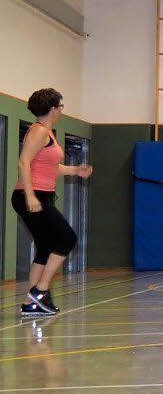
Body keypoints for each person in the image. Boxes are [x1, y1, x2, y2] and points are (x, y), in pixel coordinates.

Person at [11, 89, 90, 318]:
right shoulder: (38, 132)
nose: (61, 110)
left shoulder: (46, 132)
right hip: (31, 195)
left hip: (40, 194)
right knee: (67, 239)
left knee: (46, 247)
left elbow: (49, 167)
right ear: (54, 108)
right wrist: (30, 196)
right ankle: (41, 290)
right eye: (61, 106)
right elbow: (23, 163)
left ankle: (31, 303)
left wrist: (75, 170)